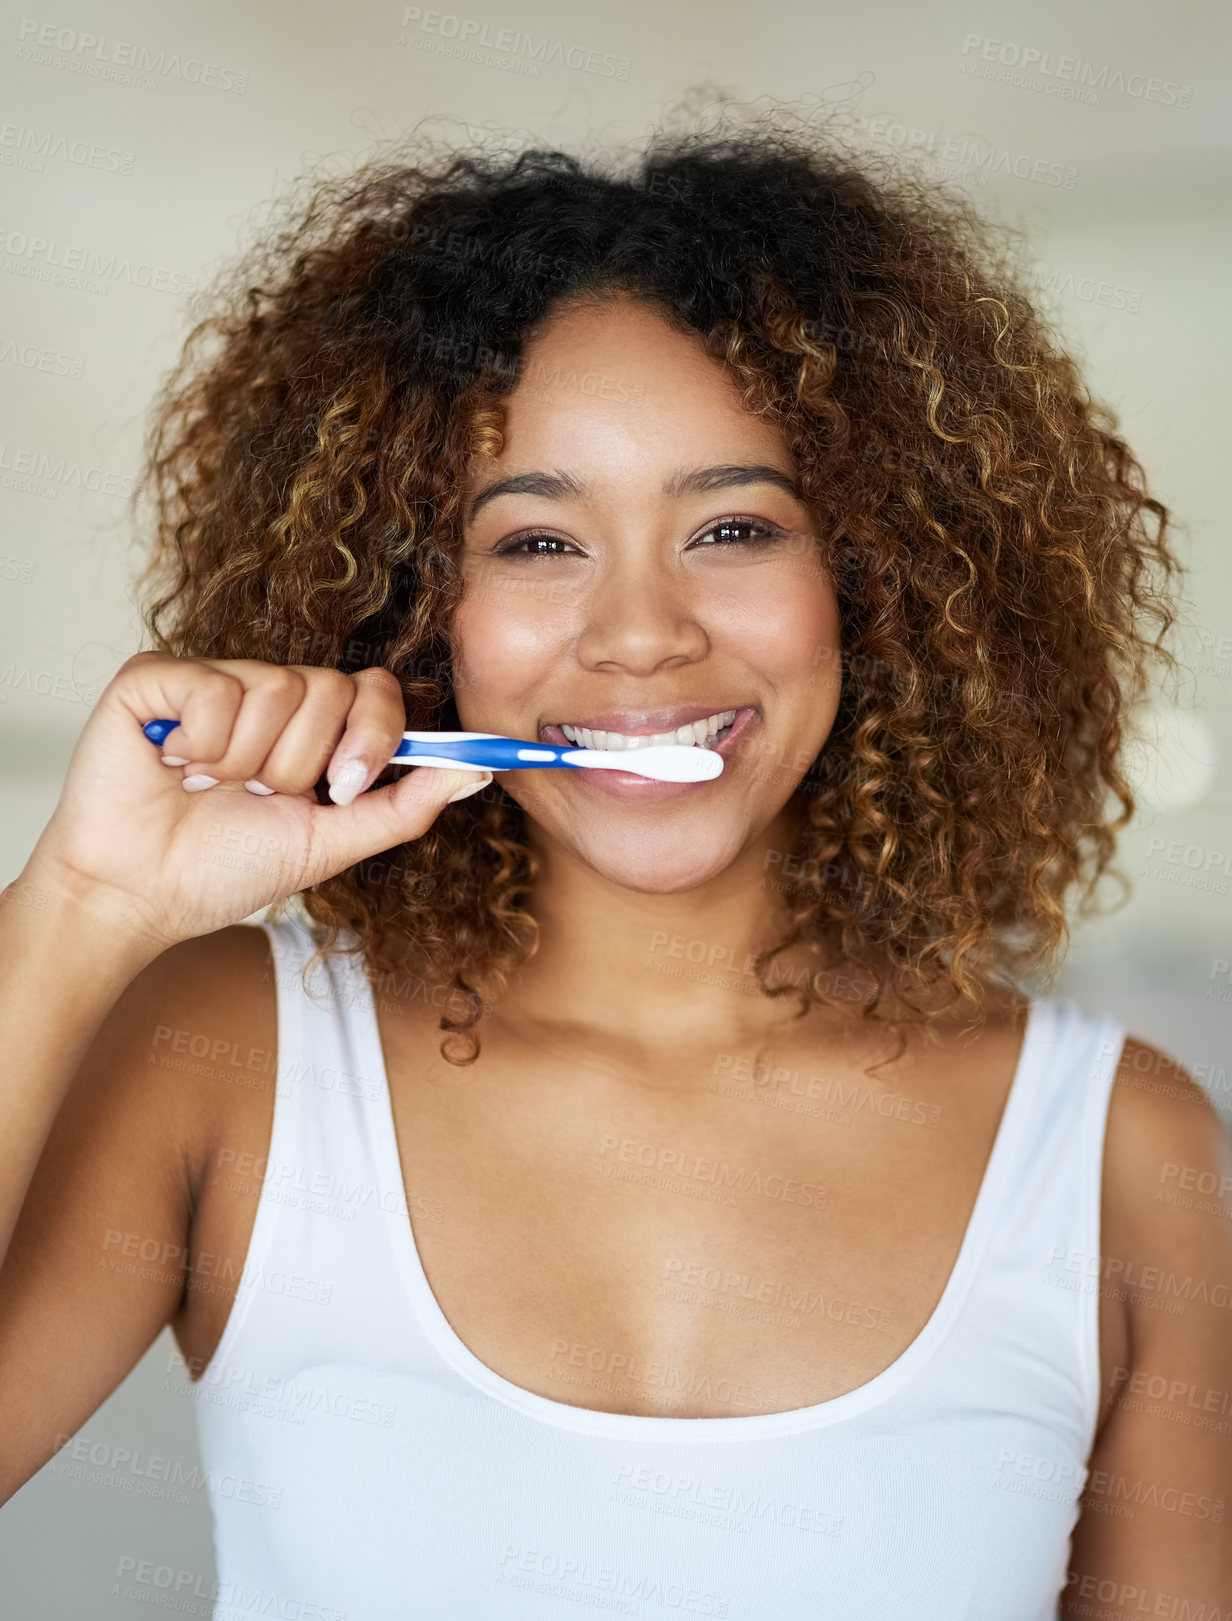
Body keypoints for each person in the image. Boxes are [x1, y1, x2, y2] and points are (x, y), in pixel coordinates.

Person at [2, 107, 1229, 1620]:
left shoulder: (1120, 1151)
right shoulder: (225, 1058)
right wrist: (80, 905)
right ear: (414, 608)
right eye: (534, 544)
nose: (642, 632)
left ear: (878, 589)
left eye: (732, 525)